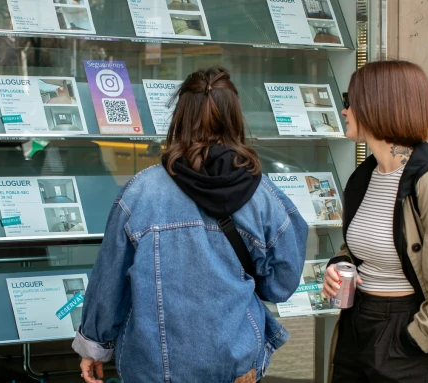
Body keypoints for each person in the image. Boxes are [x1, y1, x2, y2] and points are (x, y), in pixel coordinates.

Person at [72, 66, 308, 383]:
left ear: (180, 117)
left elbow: (109, 281)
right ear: (235, 116)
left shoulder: (140, 193)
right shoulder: (264, 195)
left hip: (154, 367)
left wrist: (94, 346)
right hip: (236, 361)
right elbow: (281, 285)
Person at [323, 60, 428, 382]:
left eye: (350, 101)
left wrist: (417, 339)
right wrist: (338, 264)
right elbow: (358, 246)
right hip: (356, 323)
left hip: (405, 331)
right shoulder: (364, 176)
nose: (344, 111)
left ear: (379, 105)